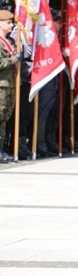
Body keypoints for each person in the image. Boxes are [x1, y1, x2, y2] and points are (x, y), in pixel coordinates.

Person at [0, 10, 21, 163]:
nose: (11, 25)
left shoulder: (11, 42)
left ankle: (2, 148)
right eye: (8, 22)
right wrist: (14, 59)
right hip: (1, 85)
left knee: (5, 119)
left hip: (10, 85)